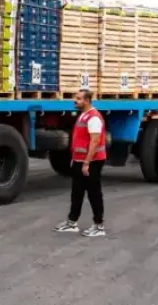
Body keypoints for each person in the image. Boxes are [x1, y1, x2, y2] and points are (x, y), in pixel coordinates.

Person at [54, 88, 106, 238]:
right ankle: (72, 222)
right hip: (79, 160)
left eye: (78, 98)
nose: (75, 101)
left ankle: (99, 226)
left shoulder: (94, 118)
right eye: (75, 98)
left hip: (92, 161)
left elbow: (95, 142)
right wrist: (75, 159)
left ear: (87, 101)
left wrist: (86, 163)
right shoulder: (83, 115)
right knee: (77, 192)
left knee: (93, 193)